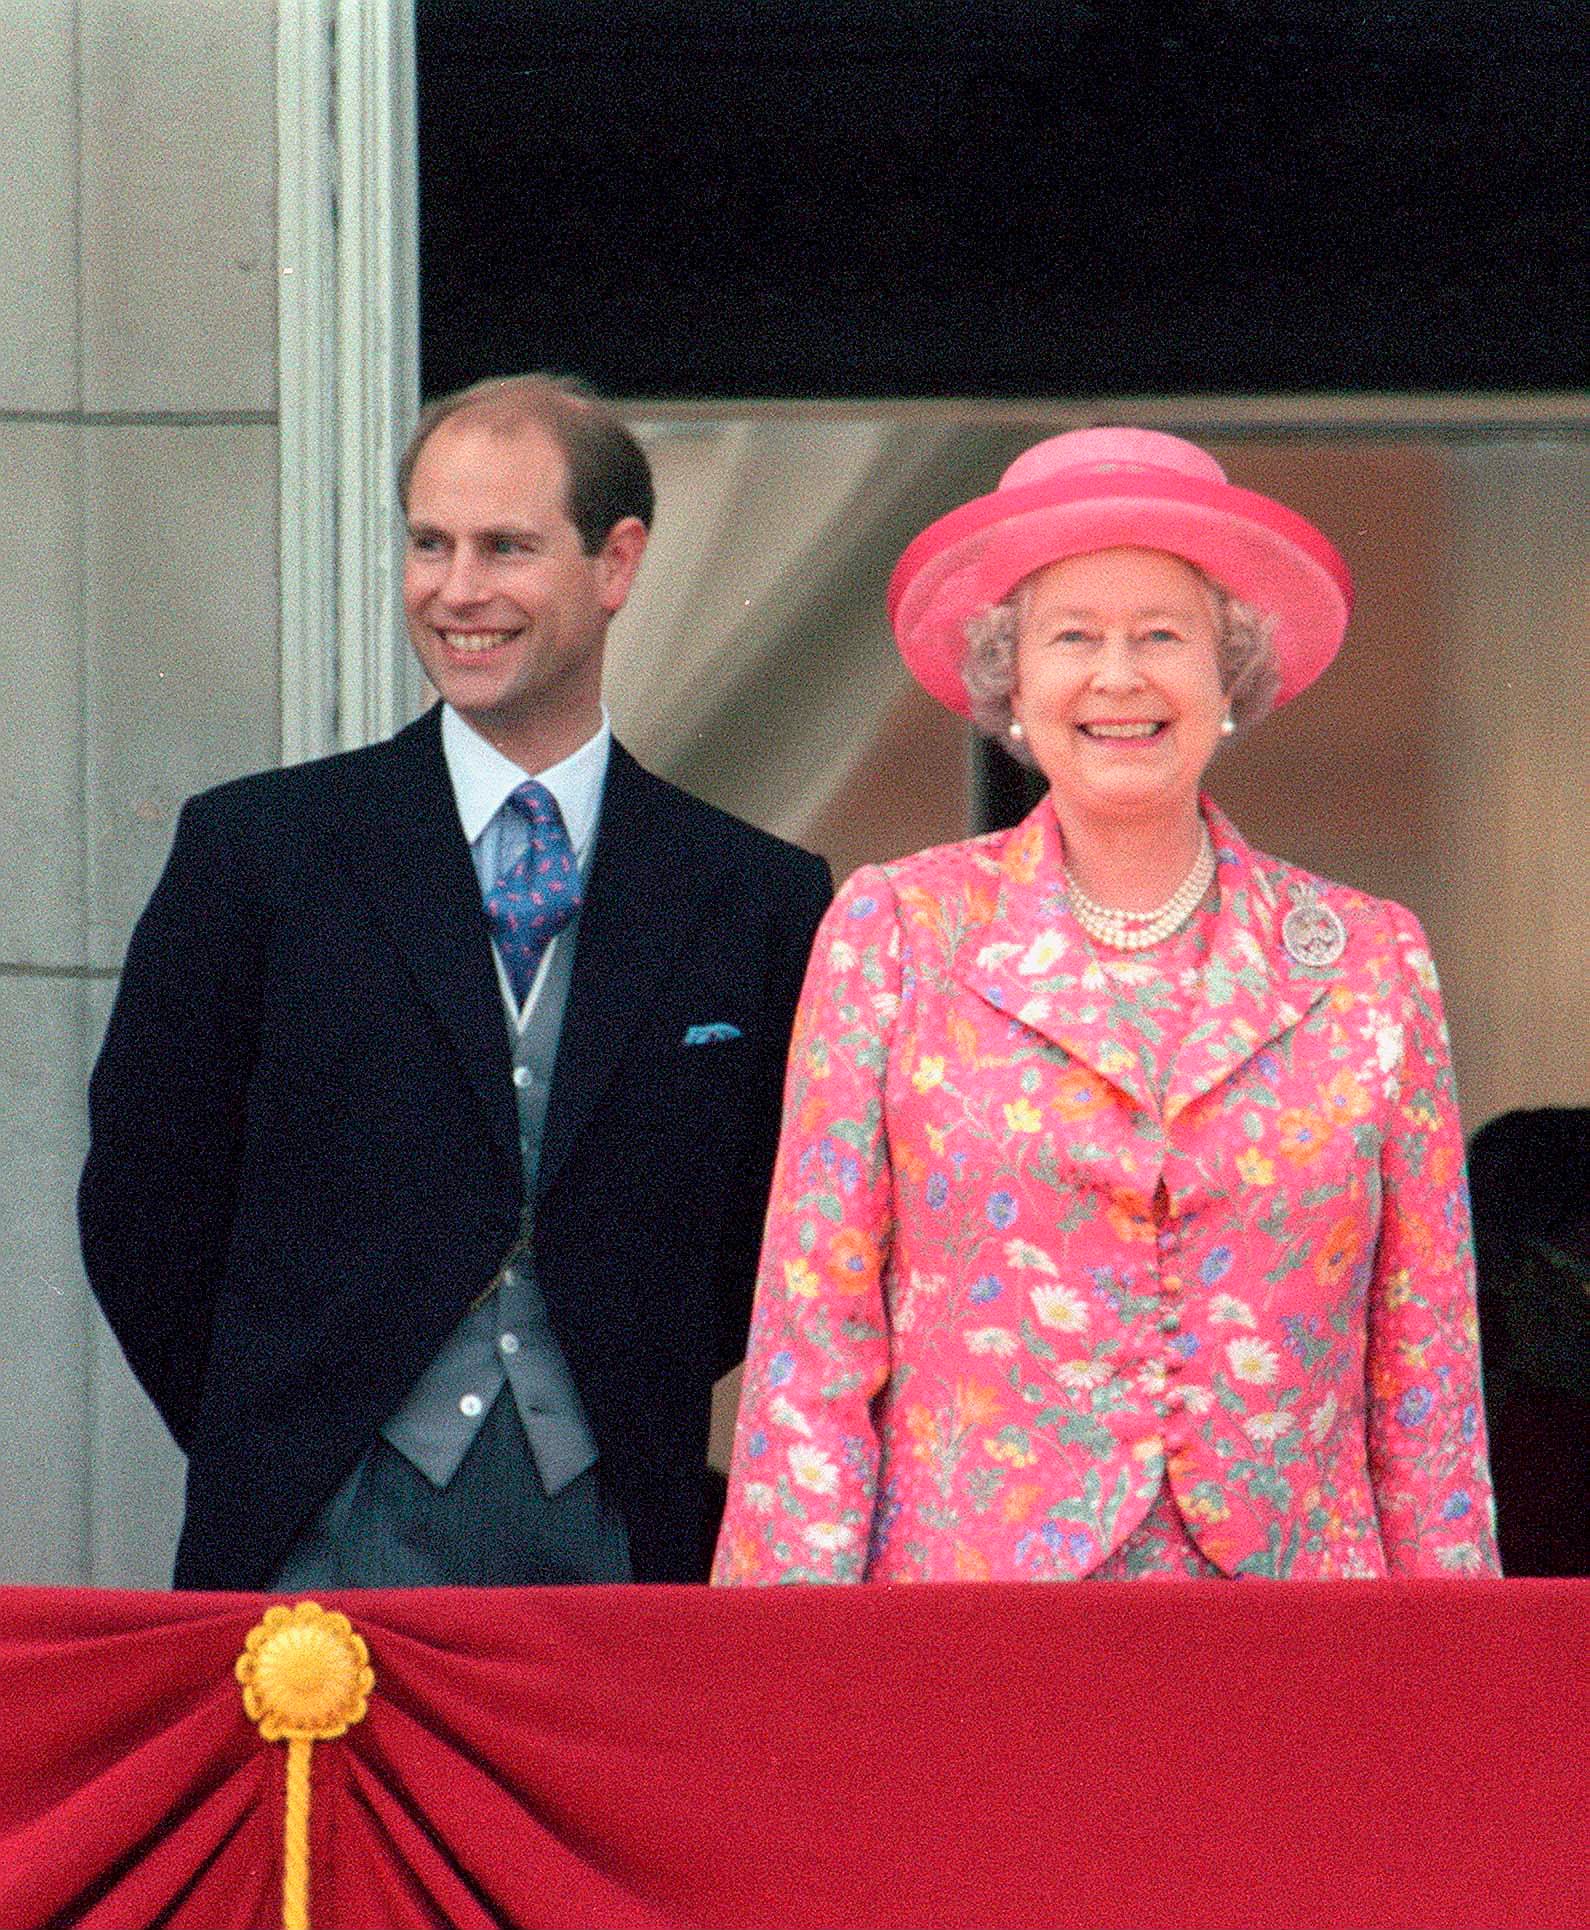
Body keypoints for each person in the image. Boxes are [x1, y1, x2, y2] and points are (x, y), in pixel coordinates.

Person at [80, 374, 832, 1591]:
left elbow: (773, 1230)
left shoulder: (755, 894)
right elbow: (143, 1201)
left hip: (619, 1536)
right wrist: (286, 1430)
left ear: (618, 561)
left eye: (506, 547)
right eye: (430, 544)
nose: (456, 589)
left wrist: (609, 1387)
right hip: (311, 1537)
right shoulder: (258, 852)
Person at [714, 427, 1498, 1583]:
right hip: (973, 1633)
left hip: (1298, 1634)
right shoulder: (898, 935)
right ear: (1012, 685)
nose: (1119, 677)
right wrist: (793, 1680)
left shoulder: (1369, 962)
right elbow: (813, 1341)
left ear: (1227, 678)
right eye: (1073, 637)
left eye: (1163, 636)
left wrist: (1454, 1680)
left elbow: (1426, 1368)